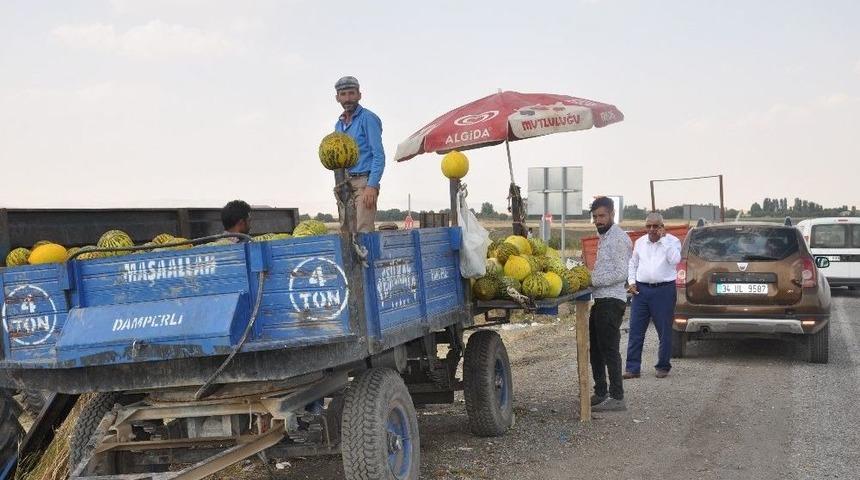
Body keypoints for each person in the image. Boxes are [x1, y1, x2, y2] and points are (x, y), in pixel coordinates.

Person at [624, 213, 682, 379]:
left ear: (662, 226)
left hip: (664, 290)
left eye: (655, 226)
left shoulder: (672, 241)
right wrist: (632, 281)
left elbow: (675, 260)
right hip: (641, 291)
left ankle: (663, 366)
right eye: (648, 226)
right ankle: (632, 368)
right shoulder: (640, 242)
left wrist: (663, 241)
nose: (651, 230)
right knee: (635, 330)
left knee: (664, 331)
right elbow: (633, 263)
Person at [588, 196, 632, 412]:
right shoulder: (603, 237)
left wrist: (592, 280)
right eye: (595, 217)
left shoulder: (618, 239)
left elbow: (621, 273)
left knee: (609, 349)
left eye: (602, 216)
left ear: (612, 214)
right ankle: (600, 391)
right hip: (600, 299)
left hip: (612, 300)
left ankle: (617, 396)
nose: (598, 220)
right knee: (595, 349)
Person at [334, 75, 385, 233]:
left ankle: (366, 259)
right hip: (344, 183)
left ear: (359, 95)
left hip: (364, 183)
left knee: (363, 232)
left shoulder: (368, 119)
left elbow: (379, 155)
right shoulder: (338, 125)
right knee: (346, 233)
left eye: (351, 93)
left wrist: (372, 186)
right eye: (343, 94)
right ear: (337, 98)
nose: (347, 98)